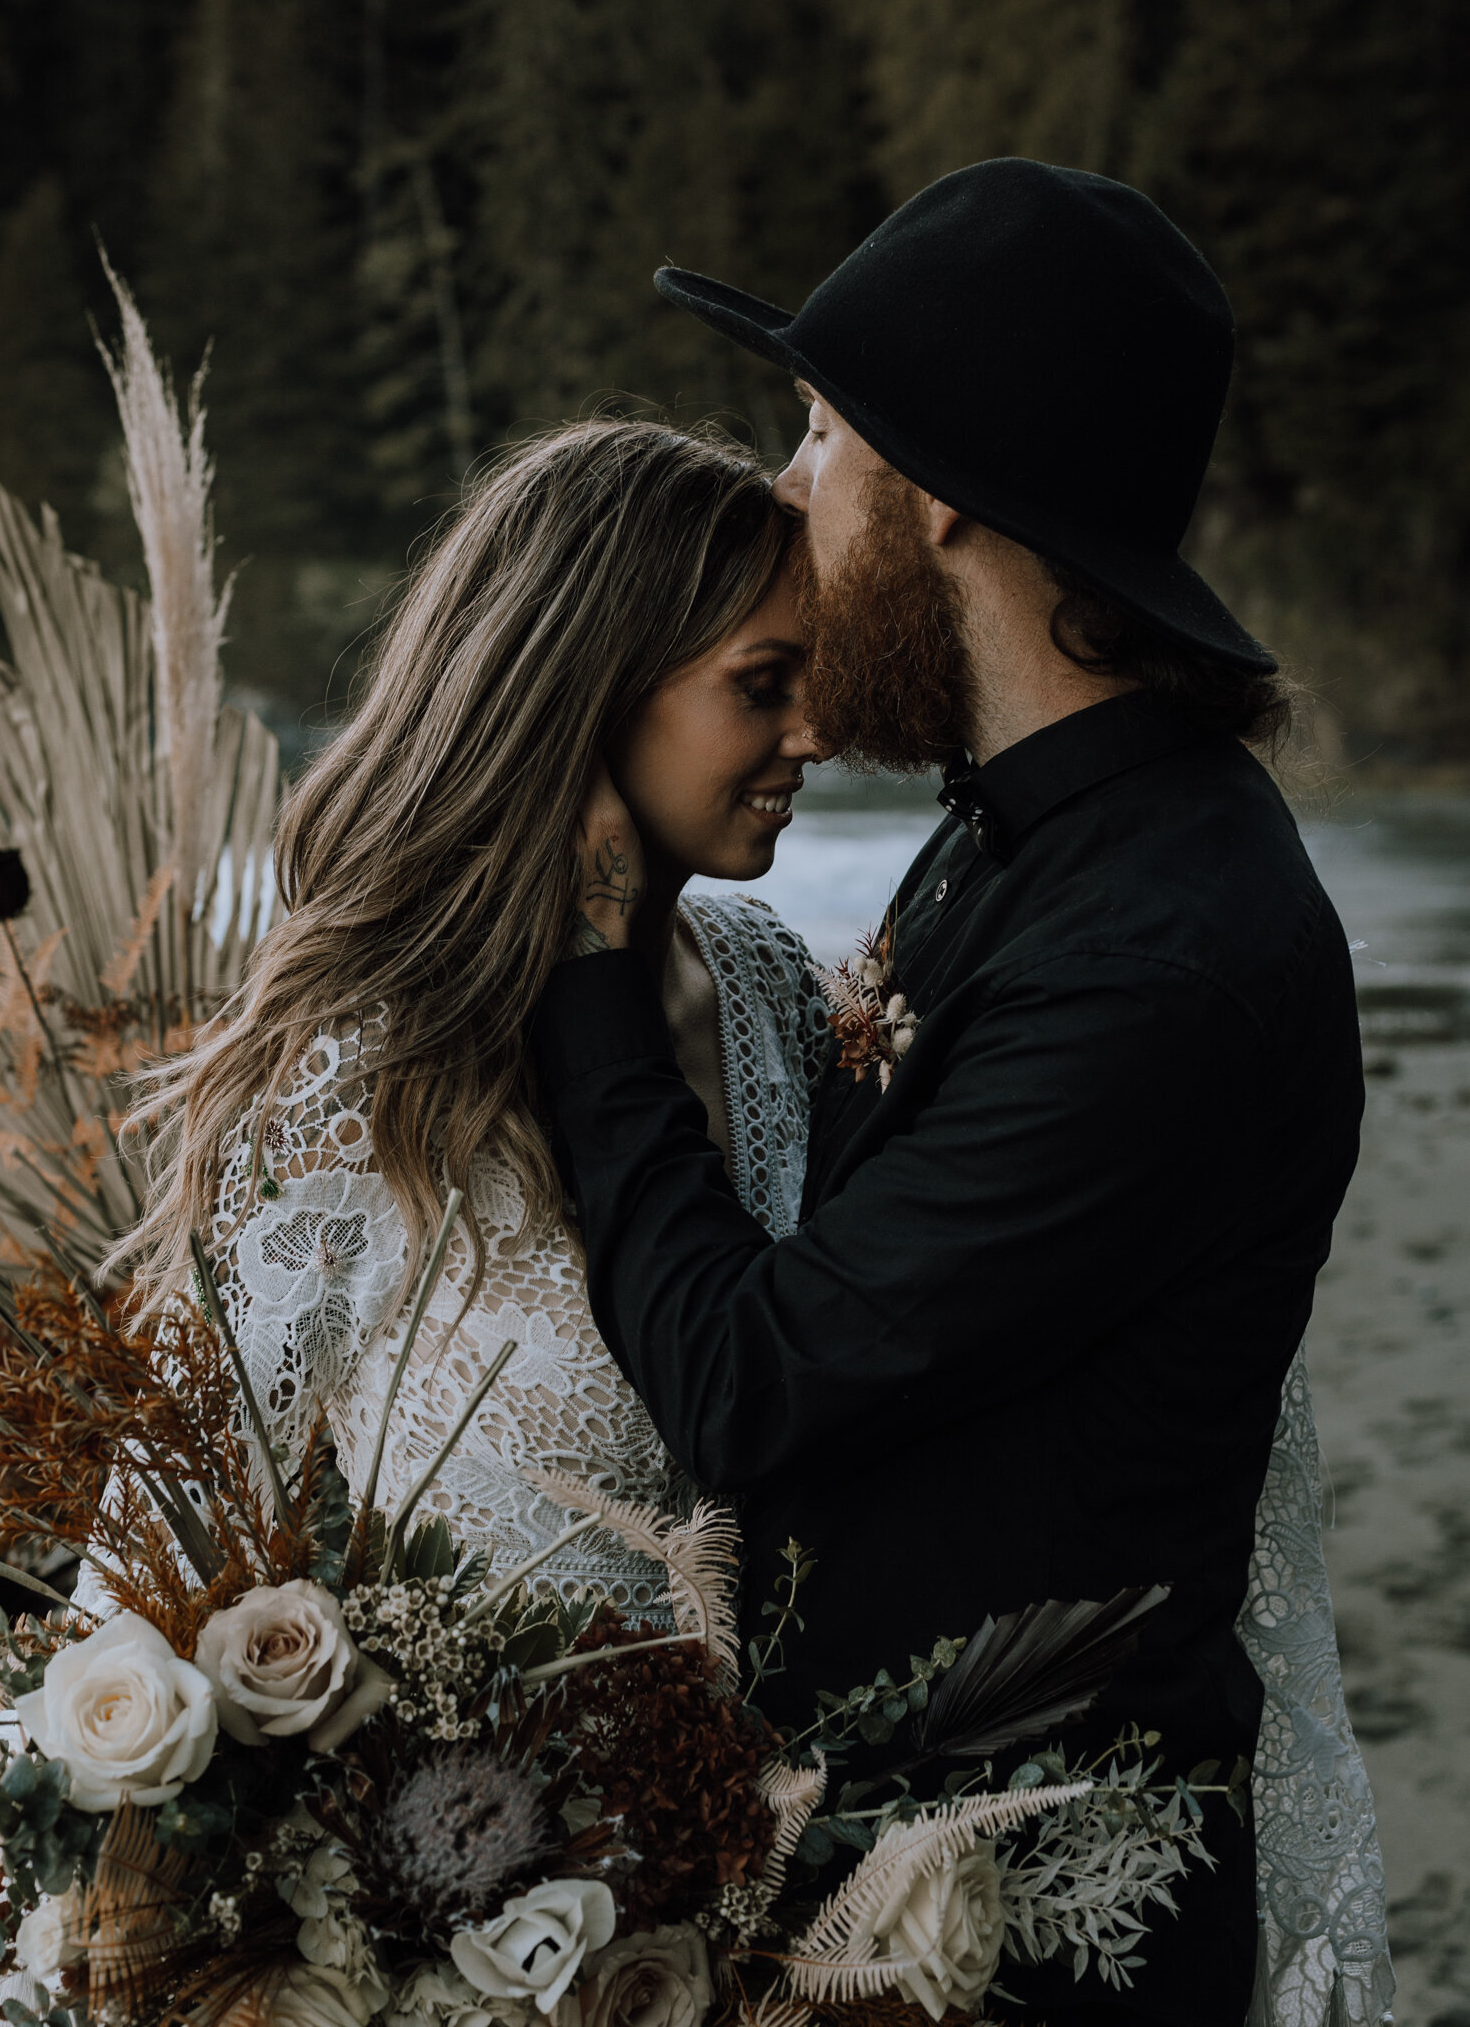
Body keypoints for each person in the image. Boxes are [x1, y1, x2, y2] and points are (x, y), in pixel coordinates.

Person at [531, 161, 1393, 2024]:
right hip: (870, 1875)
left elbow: (753, 1383)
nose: (783, 488)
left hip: (1028, 1931)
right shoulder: (1018, 838)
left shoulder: (1157, 956)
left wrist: (598, 959)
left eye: (818, 432)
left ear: (934, 497)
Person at [113, 419, 827, 1618]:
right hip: (489, 1793)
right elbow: (166, 1543)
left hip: (823, 1799)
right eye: (763, 686)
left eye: (819, 679)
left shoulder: (776, 989)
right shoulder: (364, 1055)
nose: (817, 733)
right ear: (585, 691)